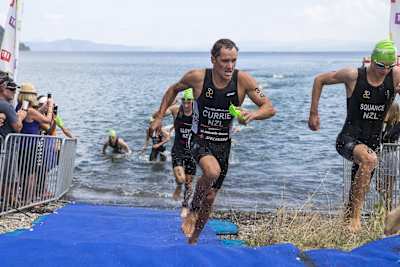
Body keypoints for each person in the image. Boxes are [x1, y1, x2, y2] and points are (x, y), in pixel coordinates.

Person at [149, 39, 276, 244]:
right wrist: (159, 116)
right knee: (211, 171)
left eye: (233, 60)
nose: (230, 66)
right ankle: (192, 208)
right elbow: (173, 90)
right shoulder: (197, 78)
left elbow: (269, 107)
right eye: (225, 60)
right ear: (213, 59)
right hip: (200, 138)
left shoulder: (244, 81)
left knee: (210, 198)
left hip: (223, 145)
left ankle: (194, 238)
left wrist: (252, 115)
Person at [308, 39, 400, 232]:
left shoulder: (395, 76)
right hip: (348, 139)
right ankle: (355, 221)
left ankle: (348, 224)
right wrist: (314, 114)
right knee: (369, 159)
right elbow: (320, 80)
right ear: (371, 61)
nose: (384, 70)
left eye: (389, 66)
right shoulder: (353, 76)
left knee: (357, 191)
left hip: (374, 142)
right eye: (380, 65)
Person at [169, 88, 197, 218]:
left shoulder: (198, 114)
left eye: (189, 101)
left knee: (189, 183)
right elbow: (160, 113)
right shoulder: (176, 110)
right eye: (183, 101)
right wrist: (156, 119)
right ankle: (178, 185)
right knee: (181, 178)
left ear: (193, 101)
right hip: (178, 149)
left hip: (192, 151)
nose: (186, 104)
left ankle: (185, 206)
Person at [379, 102, 400, 211]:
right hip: (384, 154)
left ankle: (388, 209)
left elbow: (390, 136)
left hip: (392, 155)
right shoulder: (385, 125)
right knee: (379, 185)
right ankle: (386, 206)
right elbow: (381, 138)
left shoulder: (398, 124)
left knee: (389, 186)